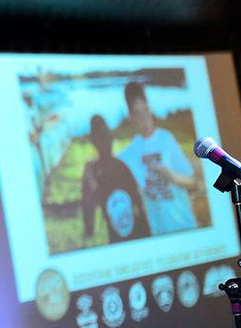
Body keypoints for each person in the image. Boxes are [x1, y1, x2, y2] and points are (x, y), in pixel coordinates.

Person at [116, 81, 199, 235]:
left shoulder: (166, 139)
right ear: (130, 117)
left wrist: (172, 177)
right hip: (158, 232)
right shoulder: (129, 153)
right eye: (137, 113)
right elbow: (114, 168)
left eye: (145, 110)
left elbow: (193, 182)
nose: (144, 118)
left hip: (184, 225)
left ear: (150, 108)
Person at [81, 114, 150, 243]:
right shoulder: (94, 171)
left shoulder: (119, 166)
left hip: (135, 232)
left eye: (106, 137)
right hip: (120, 234)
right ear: (94, 141)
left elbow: (138, 201)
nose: (105, 142)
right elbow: (88, 205)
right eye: (101, 138)